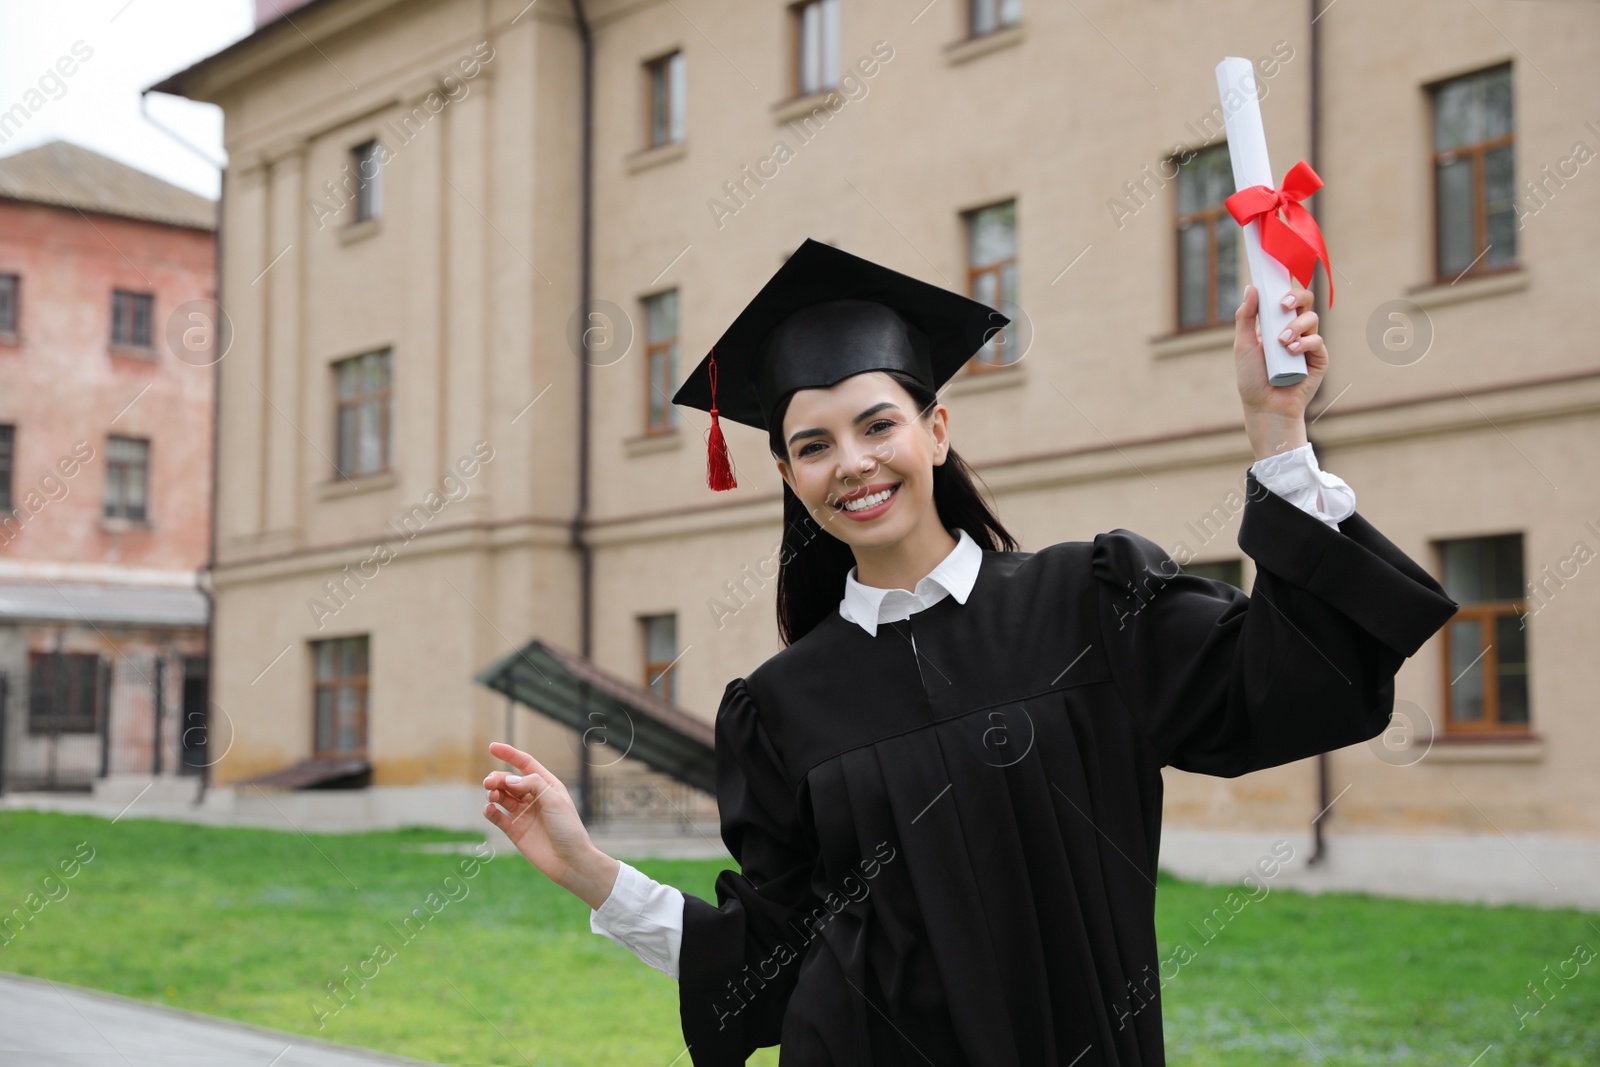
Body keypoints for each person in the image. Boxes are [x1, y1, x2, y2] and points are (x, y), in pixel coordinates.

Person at [480, 239, 1459, 1065]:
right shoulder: (780, 706)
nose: (853, 463)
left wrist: (1275, 427)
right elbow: (769, 957)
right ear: (784, 472)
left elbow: (1293, 684)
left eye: (878, 424)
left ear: (935, 430)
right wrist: (588, 869)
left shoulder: (1089, 602)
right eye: (814, 444)